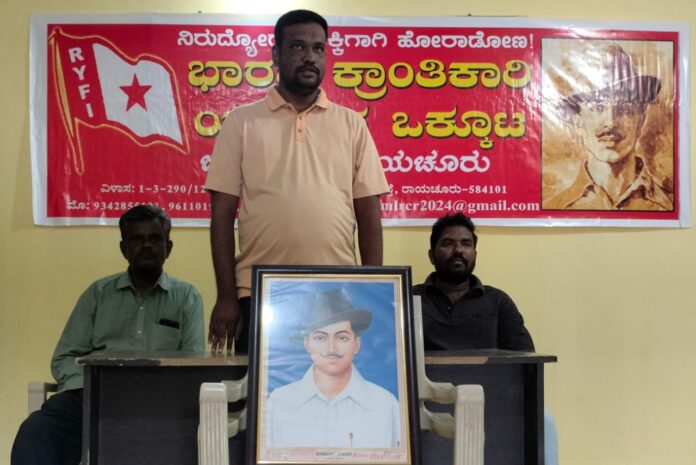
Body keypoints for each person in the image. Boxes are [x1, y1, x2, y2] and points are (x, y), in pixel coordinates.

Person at [204, 9, 390, 354]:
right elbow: (222, 216)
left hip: (337, 294)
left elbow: (369, 215)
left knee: (332, 385)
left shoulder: (352, 124)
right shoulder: (241, 123)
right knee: (259, 388)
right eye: (298, 47)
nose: (310, 57)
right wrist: (226, 297)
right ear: (276, 55)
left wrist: (371, 291)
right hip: (259, 292)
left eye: (318, 49)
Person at [11, 205, 205, 465]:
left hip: (156, 405)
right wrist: (94, 386)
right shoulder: (98, 294)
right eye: (137, 239)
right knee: (35, 431)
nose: (146, 245)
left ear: (168, 248)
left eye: (155, 238)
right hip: (90, 399)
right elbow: (64, 358)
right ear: (124, 249)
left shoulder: (187, 297)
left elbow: (192, 366)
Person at [543, 42, 673, 211]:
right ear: (577, 121)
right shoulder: (555, 208)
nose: (611, 122)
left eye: (624, 108)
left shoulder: (669, 206)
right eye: (597, 107)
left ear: (641, 119)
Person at [266, 289, 400, 448]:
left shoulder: (385, 403)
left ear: (356, 345)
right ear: (307, 344)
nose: (331, 348)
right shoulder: (279, 401)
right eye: (320, 338)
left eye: (342, 338)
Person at [413, 212, 534, 351]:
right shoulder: (409, 299)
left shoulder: (498, 302)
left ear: (475, 255)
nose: (458, 250)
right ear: (431, 256)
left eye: (466, 244)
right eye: (448, 243)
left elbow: (525, 358)